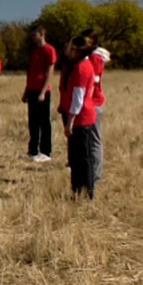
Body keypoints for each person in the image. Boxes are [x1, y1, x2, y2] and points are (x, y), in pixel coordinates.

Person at [61, 35, 98, 199]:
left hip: (81, 118)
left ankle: (87, 192)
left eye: (70, 46)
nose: (67, 49)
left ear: (76, 50)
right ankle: (77, 190)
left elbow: (78, 97)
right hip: (78, 117)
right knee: (76, 158)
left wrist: (70, 121)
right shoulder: (78, 65)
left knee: (83, 157)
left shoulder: (82, 68)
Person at [23, 26, 57, 162]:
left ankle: (45, 151)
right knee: (33, 122)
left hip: (42, 91)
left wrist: (43, 91)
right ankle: (32, 150)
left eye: (35, 34)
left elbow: (50, 72)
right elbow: (31, 72)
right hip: (32, 90)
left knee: (44, 121)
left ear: (42, 34)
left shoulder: (49, 50)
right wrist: (26, 91)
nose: (33, 36)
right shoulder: (35, 51)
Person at [83, 30, 109, 182]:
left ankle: (96, 174)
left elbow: (94, 80)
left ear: (92, 41)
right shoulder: (90, 57)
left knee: (94, 139)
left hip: (94, 103)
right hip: (89, 102)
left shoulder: (95, 58)